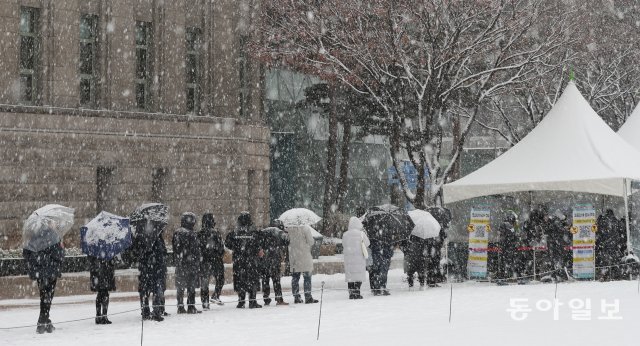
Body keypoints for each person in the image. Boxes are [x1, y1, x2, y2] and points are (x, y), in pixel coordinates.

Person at [23, 240, 64, 333]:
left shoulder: (34, 238)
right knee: (48, 297)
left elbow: (26, 254)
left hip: (40, 273)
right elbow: (59, 255)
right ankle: (41, 322)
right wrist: (61, 248)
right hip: (51, 272)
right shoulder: (54, 238)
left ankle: (46, 321)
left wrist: (34, 267)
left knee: (44, 296)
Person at [226, 212, 263, 308]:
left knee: (240, 280)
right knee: (252, 280)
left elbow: (228, 244)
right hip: (251, 260)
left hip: (239, 260)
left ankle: (241, 301)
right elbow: (259, 244)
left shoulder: (234, 232)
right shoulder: (254, 231)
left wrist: (237, 248)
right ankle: (252, 301)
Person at [134, 218, 167, 322]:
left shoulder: (140, 237)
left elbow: (136, 253)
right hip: (153, 269)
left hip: (146, 269)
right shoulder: (155, 238)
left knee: (145, 291)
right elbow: (161, 254)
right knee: (155, 290)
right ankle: (155, 311)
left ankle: (146, 311)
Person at [172, 212, 202, 314]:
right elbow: (195, 250)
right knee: (191, 286)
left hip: (181, 264)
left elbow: (175, 249)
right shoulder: (191, 234)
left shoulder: (177, 233)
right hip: (190, 264)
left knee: (181, 287)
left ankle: (181, 306)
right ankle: (191, 306)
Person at [198, 213, 225, 309]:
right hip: (216, 260)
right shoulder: (216, 233)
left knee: (205, 282)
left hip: (204, 261)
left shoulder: (199, 234)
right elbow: (221, 248)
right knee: (220, 279)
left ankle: (205, 302)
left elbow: (198, 249)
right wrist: (219, 255)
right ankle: (216, 295)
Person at [260, 219, 290, 306]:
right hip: (274, 260)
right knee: (276, 280)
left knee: (265, 280)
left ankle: (266, 299)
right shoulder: (279, 233)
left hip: (264, 260)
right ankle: (279, 299)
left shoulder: (264, 232)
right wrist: (285, 234)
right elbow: (287, 242)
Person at [287, 224, 319, 304]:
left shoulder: (289, 229)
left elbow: (287, 242)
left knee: (295, 277)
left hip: (294, 256)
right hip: (304, 256)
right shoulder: (305, 228)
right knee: (307, 277)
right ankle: (308, 297)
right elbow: (311, 242)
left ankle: (296, 297)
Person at [342, 217, 370, 299]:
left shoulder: (345, 234)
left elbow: (343, 244)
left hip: (349, 259)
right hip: (359, 259)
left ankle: (351, 293)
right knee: (358, 276)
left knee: (350, 277)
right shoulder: (361, 234)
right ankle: (357, 293)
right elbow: (368, 243)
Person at [596, 209, 626, 280]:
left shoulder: (603, 220)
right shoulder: (615, 220)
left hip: (605, 244)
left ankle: (605, 275)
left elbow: (599, 231)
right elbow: (621, 230)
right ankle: (615, 275)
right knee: (614, 260)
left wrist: (599, 218)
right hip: (614, 245)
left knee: (605, 260)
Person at [88, 255, 116, 324]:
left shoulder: (94, 249)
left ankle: (99, 316)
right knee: (104, 293)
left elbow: (91, 260)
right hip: (103, 271)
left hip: (98, 271)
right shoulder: (106, 250)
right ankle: (103, 316)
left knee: (100, 293)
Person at [545, 209, 571, 282]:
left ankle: (555, 275)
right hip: (556, 244)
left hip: (554, 244)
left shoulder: (553, 221)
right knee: (558, 260)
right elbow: (560, 230)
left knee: (555, 260)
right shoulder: (556, 221)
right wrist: (565, 229)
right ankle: (557, 275)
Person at [496, 211, 519, 285]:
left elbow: (500, 234)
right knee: (506, 262)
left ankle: (503, 277)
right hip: (507, 246)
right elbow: (510, 236)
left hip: (506, 246)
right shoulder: (508, 225)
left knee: (504, 262)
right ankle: (504, 277)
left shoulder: (505, 224)